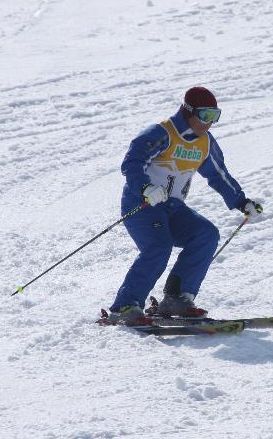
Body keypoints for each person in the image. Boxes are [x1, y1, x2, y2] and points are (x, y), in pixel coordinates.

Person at [109, 86, 262, 322]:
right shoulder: (162, 133)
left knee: (206, 234)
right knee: (159, 246)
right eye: (205, 115)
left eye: (215, 116)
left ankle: (177, 298)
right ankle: (125, 306)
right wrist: (146, 188)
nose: (209, 123)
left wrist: (241, 201)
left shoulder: (205, 143)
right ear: (188, 111)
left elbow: (218, 175)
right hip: (143, 205)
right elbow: (132, 163)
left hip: (173, 208)